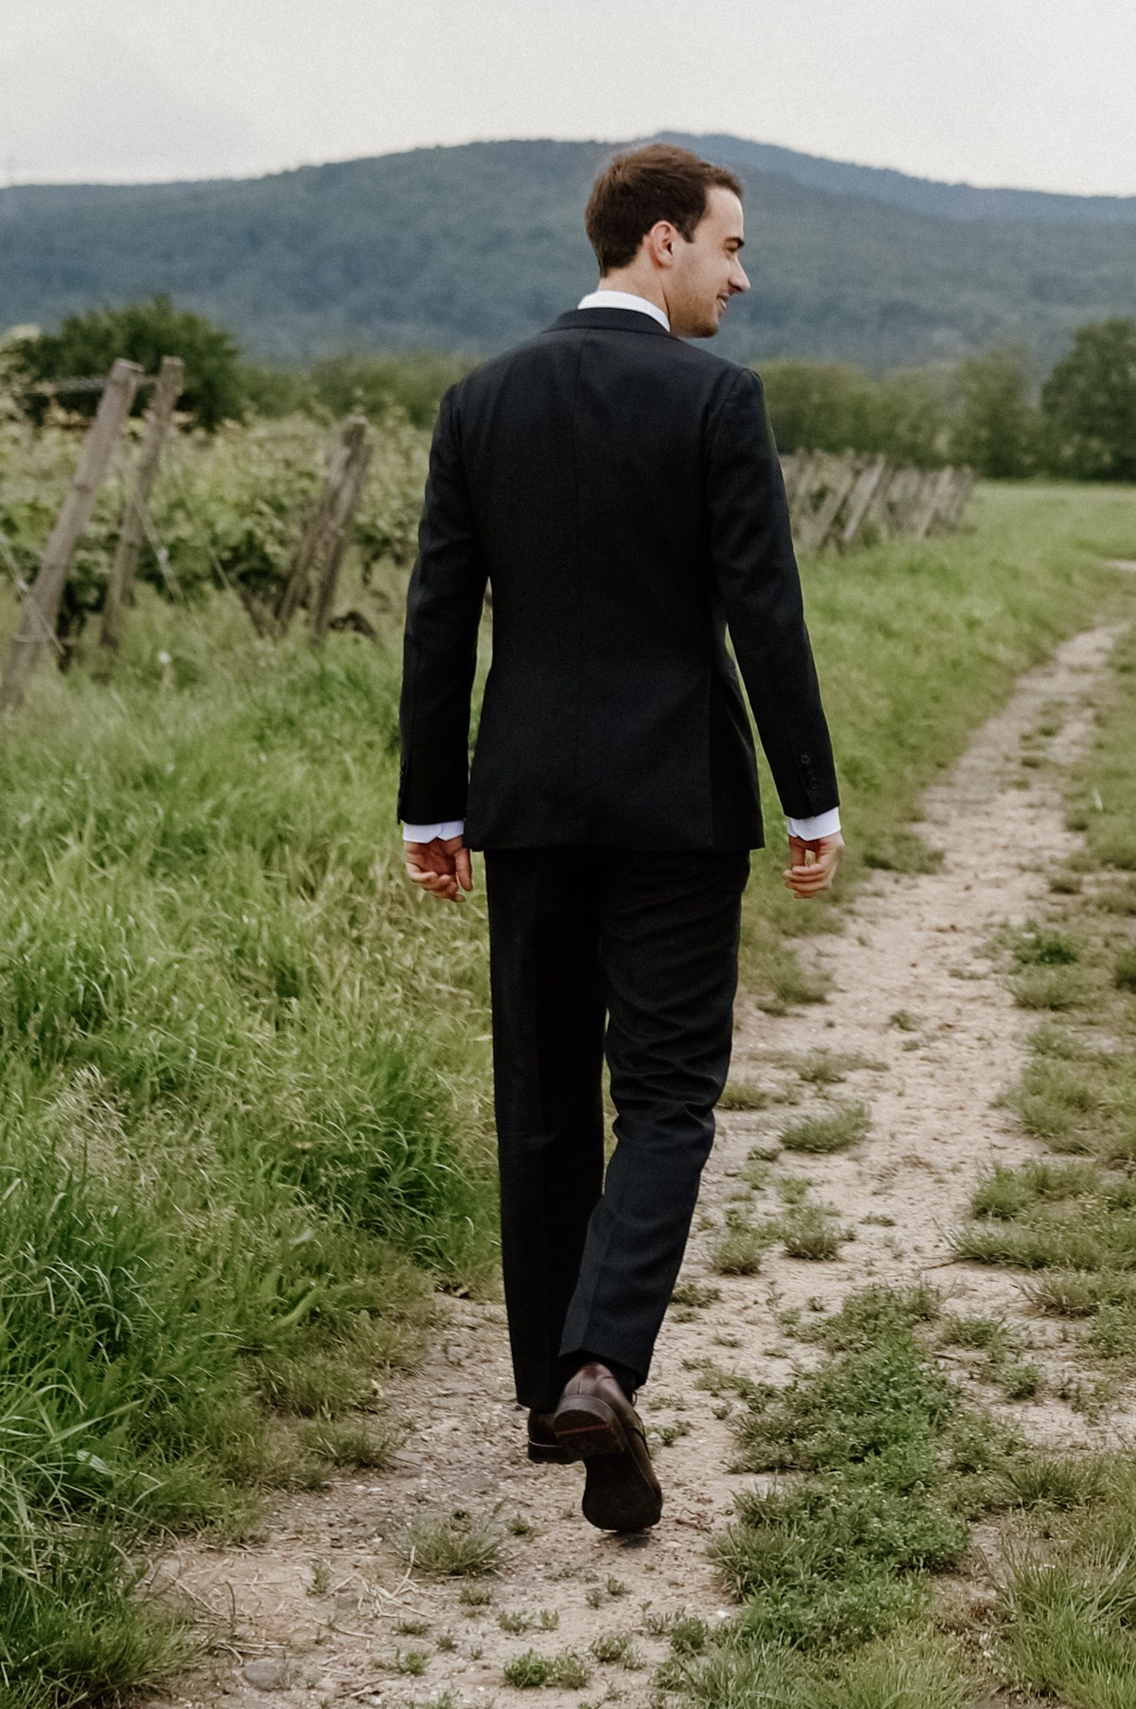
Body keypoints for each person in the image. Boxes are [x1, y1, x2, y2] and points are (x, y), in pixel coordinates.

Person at [397, 142, 842, 1532]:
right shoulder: (716, 402)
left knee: (538, 1093)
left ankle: (551, 1393)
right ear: (661, 245)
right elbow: (763, 613)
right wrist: (809, 797)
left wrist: (432, 801)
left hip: (524, 799)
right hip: (677, 805)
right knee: (662, 1093)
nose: (740, 275)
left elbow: (437, 615)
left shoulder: (481, 403)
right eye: (728, 248)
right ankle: (602, 1360)